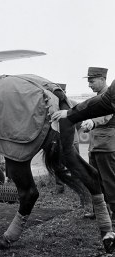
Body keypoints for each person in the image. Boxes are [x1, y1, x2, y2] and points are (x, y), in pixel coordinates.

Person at [52, 69, 115, 223]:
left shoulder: (109, 95)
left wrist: (93, 122)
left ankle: (113, 214)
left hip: (107, 145)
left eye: (92, 81)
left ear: (102, 79)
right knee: (96, 179)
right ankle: (99, 211)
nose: (89, 85)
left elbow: (106, 114)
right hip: (96, 145)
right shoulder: (98, 97)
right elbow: (88, 107)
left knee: (109, 181)